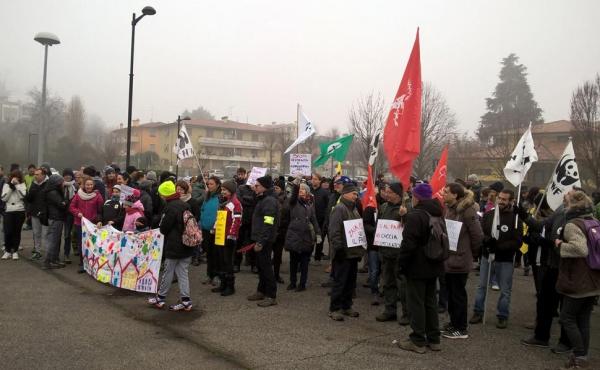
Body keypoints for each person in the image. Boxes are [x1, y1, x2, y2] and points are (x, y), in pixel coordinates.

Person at [395, 183, 445, 353]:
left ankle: (417, 340)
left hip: (417, 266)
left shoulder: (416, 216)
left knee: (416, 303)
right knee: (430, 302)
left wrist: (401, 265)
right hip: (434, 264)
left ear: (416, 197)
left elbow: (408, 244)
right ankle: (434, 339)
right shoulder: (438, 213)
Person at [519, 195, 572, 353]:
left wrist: (548, 243)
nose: (563, 196)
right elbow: (541, 224)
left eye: (568, 196)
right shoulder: (561, 211)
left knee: (566, 307)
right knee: (544, 302)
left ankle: (566, 341)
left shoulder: (579, 219)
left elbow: (576, 247)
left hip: (569, 268)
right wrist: (523, 215)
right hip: (553, 265)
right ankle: (541, 336)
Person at [553, 190, 600, 369]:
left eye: (565, 200)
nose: (563, 203)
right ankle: (582, 356)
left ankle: (579, 355)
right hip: (593, 278)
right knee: (583, 320)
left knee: (567, 317)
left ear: (571, 204)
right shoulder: (593, 221)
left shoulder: (573, 224)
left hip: (578, 280)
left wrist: (560, 245)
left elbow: (580, 249)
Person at [470, 189, 522, 329]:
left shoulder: (515, 218)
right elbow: (481, 233)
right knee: (481, 286)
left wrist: (499, 246)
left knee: (505, 289)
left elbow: (518, 242)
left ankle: (502, 315)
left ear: (511, 201)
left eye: (504, 199)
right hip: (487, 257)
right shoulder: (489, 215)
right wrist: (487, 241)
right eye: (499, 198)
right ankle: (478, 311)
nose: (501, 201)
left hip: (505, 259)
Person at [441, 183, 483, 339]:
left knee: (458, 295)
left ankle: (461, 328)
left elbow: (477, 236)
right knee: (451, 295)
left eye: (446, 192)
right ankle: (453, 323)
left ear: (455, 195)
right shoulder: (449, 209)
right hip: (449, 259)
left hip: (460, 259)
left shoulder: (467, 211)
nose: (443, 194)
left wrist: (471, 253)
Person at [147, 181, 195, 311]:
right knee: (183, 273)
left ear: (165, 195)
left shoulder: (169, 207)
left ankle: (160, 298)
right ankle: (186, 301)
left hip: (174, 245)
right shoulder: (185, 205)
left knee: (168, 271)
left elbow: (164, 228)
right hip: (188, 243)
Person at [327, 183, 364, 321]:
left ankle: (346, 306)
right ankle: (334, 308)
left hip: (353, 253)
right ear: (346, 194)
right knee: (340, 281)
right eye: (354, 193)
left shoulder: (354, 209)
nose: (356, 196)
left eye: (357, 193)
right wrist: (339, 248)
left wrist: (359, 249)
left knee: (350, 282)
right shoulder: (339, 209)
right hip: (343, 252)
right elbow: (334, 230)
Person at [376, 183, 411, 325]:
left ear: (397, 194)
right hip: (386, 251)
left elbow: (411, 228)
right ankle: (389, 311)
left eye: (390, 192)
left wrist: (405, 216)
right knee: (388, 283)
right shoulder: (384, 207)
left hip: (399, 253)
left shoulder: (406, 208)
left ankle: (407, 314)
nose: (386, 194)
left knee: (402, 285)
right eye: (386, 192)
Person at [246, 175, 280, 307]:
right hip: (260, 238)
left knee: (266, 268)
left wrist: (261, 241)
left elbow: (268, 222)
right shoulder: (263, 198)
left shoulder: (269, 201)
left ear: (264, 187)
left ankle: (271, 296)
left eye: (257, 186)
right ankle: (261, 290)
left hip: (264, 240)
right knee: (261, 266)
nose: (255, 187)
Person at [284, 181, 321, 292]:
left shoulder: (310, 205)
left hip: (306, 237)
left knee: (305, 263)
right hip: (294, 236)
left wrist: (318, 233)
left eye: (303, 189)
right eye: (299, 190)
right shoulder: (294, 202)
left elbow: (314, 220)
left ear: (307, 192)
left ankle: (302, 284)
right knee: (293, 262)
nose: (301, 191)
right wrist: (296, 185)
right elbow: (293, 195)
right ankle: (292, 282)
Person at [212, 180, 242, 296]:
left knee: (228, 262)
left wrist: (231, 234)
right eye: (222, 189)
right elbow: (220, 217)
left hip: (228, 237)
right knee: (221, 261)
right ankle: (223, 284)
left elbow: (237, 220)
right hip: (220, 235)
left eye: (225, 190)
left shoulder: (236, 203)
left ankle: (230, 286)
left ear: (231, 191)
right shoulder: (225, 202)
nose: (222, 191)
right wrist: (215, 228)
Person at [69, 177, 104, 273]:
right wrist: (77, 213)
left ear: (93, 186)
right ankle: (83, 263)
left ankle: (92, 262)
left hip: (92, 224)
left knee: (92, 244)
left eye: (91, 184)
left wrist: (99, 220)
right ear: (84, 185)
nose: (89, 186)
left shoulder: (97, 196)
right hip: (79, 223)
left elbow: (100, 210)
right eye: (87, 184)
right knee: (82, 243)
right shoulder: (78, 195)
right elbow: (71, 207)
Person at [1, 170, 27, 260]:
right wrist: (11, 188)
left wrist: (16, 186)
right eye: (13, 177)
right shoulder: (6, 185)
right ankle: (8, 250)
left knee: (17, 232)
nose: (15, 178)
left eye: (17, 177)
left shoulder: (22, 185)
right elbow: (4, 198)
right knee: (8, 232)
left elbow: (23, 197)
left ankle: (15, 251)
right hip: (8, 211)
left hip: (19, 210)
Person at [43, 174, 67, 269]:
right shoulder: (53, 193)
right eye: (61, 182)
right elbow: (62, 204)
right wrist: (65, 201)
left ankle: (53, 259)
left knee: (55, 240)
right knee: (53, 240)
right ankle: (48, 261)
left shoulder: (52, 191)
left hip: (55, 218)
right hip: (55, 218)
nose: (63, 184)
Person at [200, 176, 221, 285]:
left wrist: (216, 225)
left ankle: (217, 276)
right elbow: (202, 210)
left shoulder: (221, 197)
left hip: (216, 230)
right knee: (209, 253)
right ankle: (210, 274)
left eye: (211, 184)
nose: (209, 186)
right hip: (206, 229)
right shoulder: (207, 196)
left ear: (217, 185)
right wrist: (201, 223)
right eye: (208, 184)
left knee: (216, 253)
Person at [25, 167, 48, 260]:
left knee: (46, 234)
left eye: (37, 174)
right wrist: (32, 191)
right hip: (34, 212)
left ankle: (47, 253)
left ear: (43, 175)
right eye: (35, 174)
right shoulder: (33, 184)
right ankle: (38, 251)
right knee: (36, 233)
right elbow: (29, 199)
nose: (35, 176)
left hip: (45, 213)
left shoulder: (48, 184)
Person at [311, 173, 330, 263]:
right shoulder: (308, 191)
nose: (313, 180)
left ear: (319, 181)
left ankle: (317, 258)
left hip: (321, 220)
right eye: (312, 179)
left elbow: (328, 207)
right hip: (310, 220)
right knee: (309, 239)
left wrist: (325, 219)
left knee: (319, 240)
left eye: (315, 179)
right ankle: (307, 257)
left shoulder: (324, 192)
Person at [272, 177, 288, 284]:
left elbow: (287, 216)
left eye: (277, 188)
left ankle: (276, 275)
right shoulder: (271, 199)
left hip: (281, 232)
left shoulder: (286, 201)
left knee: (277, 256)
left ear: (282, 189)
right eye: (274, 187)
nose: (275, 189)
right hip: (271, 231)